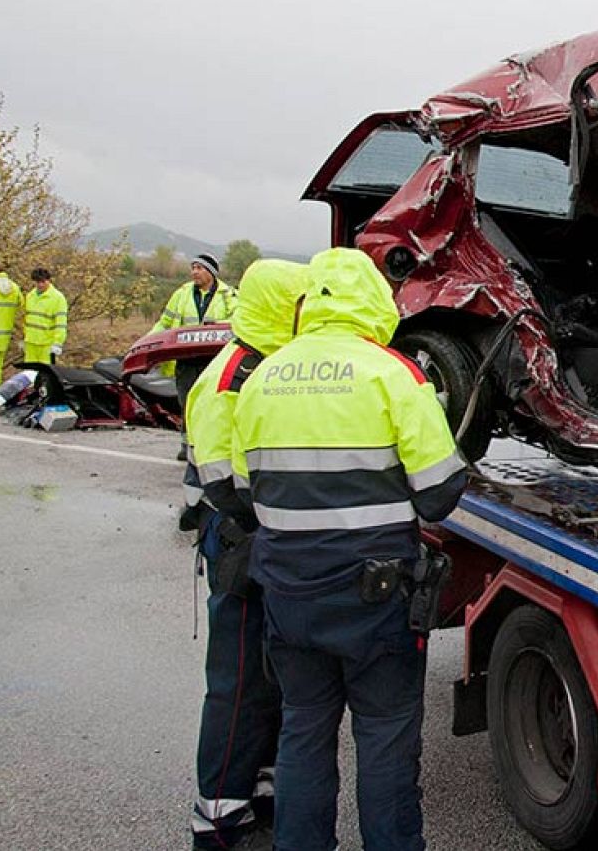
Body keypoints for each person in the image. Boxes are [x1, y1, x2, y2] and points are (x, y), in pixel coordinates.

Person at [231, 247, 466, 851]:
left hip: (287, 592)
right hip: (375, 598)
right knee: (385, 738)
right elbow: (439, 494)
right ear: (374, 301)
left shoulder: (261, 379)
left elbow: (240, 489)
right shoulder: (393, 375)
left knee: (303, 733)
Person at [183, 259, 308, 849]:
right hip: (241, 543)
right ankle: (218, 810)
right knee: (237, 683)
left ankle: (258, 786)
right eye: (300, 305)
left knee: (270, 674)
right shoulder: (231, 375)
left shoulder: (265, 366)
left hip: (262, 543)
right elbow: (223, 482)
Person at [151, 252, 237, 457]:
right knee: (188, 403)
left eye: (199, 268)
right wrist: (149, 344)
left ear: (211, 272)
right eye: (193, 268)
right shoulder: (181, 295)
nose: (194, 272)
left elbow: (238, 322)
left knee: (213, 403)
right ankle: (187, 445)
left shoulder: (229, 295)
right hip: (187, 360)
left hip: (215, 360)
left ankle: (211, 446)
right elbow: (164, 323)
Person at [22, 268, 68, 365]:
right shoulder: (30, 296)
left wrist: (58, 343)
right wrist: (25, 338)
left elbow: (60, 324)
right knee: (30, 374)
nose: (40, 285)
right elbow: (27, 319)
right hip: (31, 343)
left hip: (47, 345)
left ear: (49, 280)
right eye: (38, 282)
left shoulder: (58, 298)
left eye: (43, 281)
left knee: (45, 375)